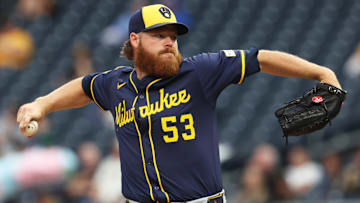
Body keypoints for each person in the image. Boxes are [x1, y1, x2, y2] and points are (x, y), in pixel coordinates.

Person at [16, 4, 343, 203]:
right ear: (135, 40)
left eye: (173, 36)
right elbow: (85, 87)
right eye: (159, 35)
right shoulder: (116, 84)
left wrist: (320, 71)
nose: (170, 42)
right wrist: (41, 104)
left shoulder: (200, 71)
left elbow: (261, 58)